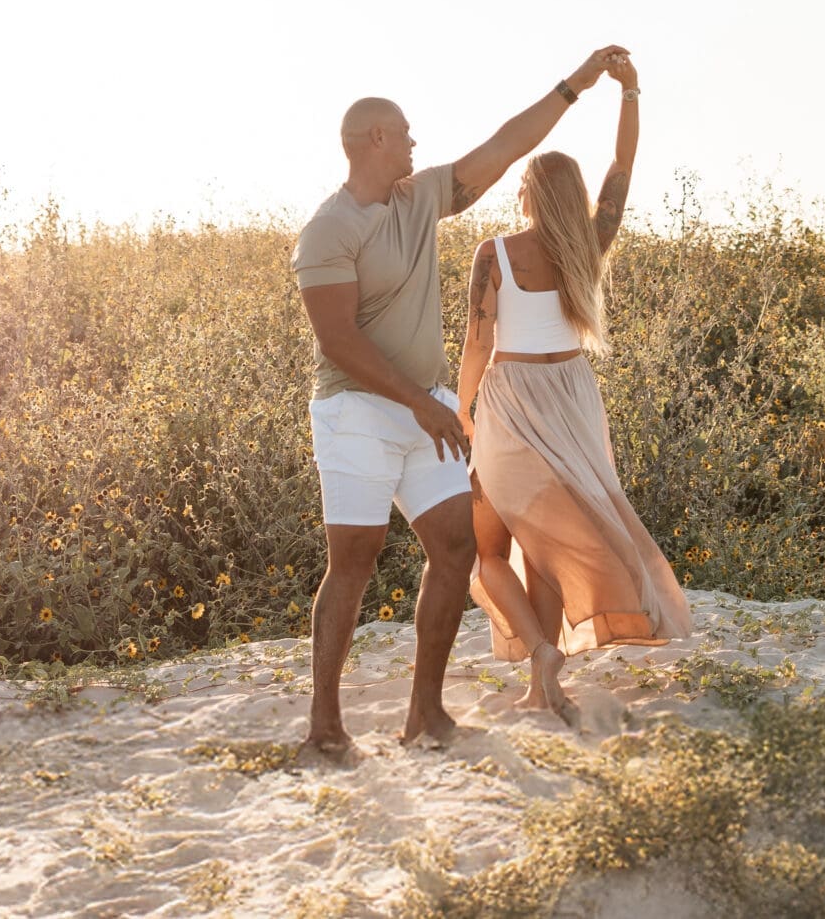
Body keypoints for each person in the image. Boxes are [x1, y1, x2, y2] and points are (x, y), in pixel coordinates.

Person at [291, 45, 630, 756]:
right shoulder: (328, 230)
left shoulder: (422, 198)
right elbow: (338, 340)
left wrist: (578, 83)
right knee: (353, 559)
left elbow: (506, 145)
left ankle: (426, 714)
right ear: (375, 140)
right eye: (406, 132)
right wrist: (420, 401)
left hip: (428, 410)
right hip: (357, 412)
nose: (417, 140)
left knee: (453, 550)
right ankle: (324, 727)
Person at [459, 50, 688, 722]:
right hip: (572, 396)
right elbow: (622, 170)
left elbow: (476, 341)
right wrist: (631, 93)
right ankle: (544, 672)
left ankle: (541, 663)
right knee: (550, 539)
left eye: (521, 186)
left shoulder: (494, 253)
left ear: (529, 194)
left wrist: (461, 409)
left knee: (495, 545)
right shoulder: (593, 242)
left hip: (510, 398)